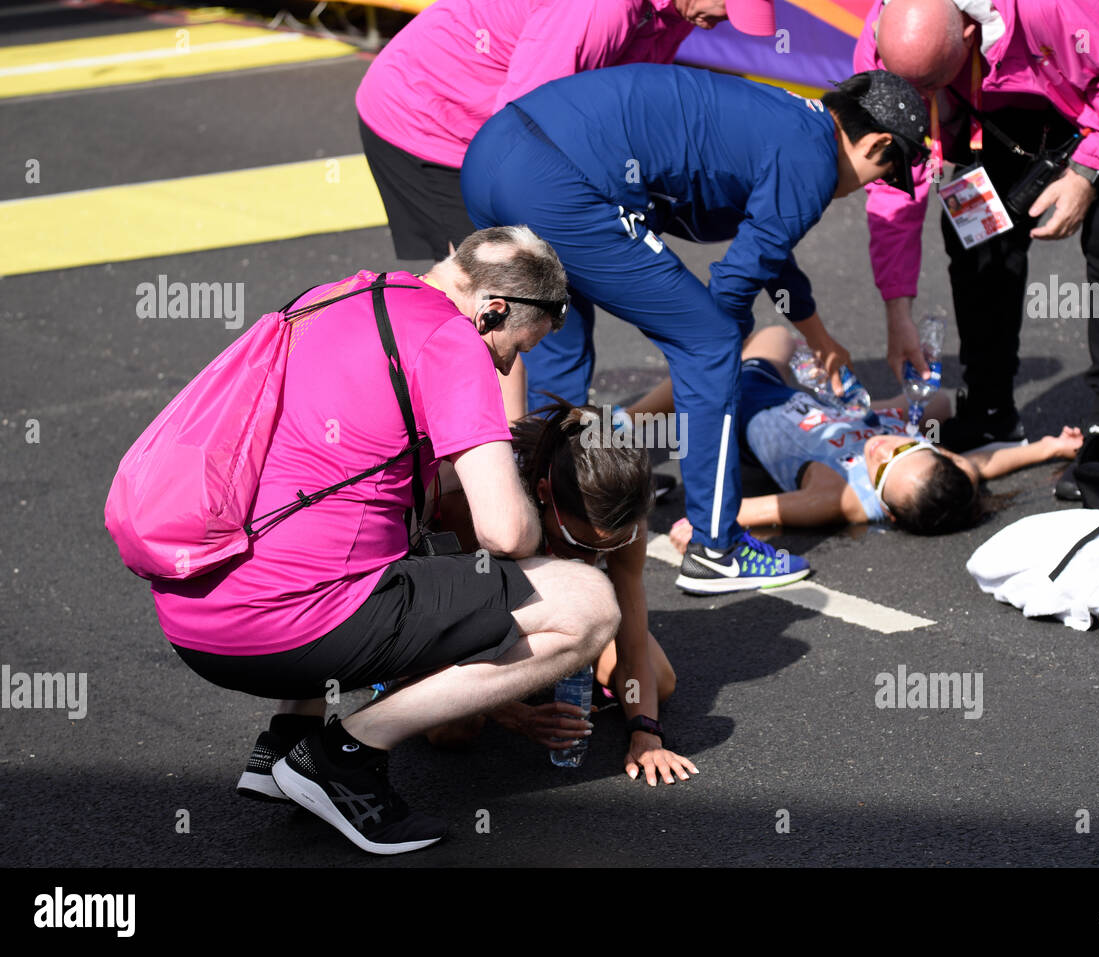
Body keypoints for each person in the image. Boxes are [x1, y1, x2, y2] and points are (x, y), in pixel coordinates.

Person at [153, 227, 622, 856]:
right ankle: (341, 757)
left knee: (376, 529)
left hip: (196, 610)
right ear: (493, 309)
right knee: (587, 604)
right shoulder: (454, 342)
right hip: (279, 628)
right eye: (514, 349)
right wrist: (529, 500)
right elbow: (505, 532)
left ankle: (286, 743)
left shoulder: (336, 296)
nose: (506, 366)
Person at [461, 64, 931, 593]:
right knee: (710, 341)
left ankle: (564, 504)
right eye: (889, 173)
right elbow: (732, 289)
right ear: (878, 142)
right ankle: (716, 546)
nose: (875, 187)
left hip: (491, 157)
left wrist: (818, 337)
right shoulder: (816, 159)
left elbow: (769, 250)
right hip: (562, 182)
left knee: (556, 338)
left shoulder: (791, 120)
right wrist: (716, 363)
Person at [852, 0, 1099, 499]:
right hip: (1008, 90)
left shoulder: (1060, 9)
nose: (922, 102)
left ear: (966, 30)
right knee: (973, 232)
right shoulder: (884, 41)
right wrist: (898, 310)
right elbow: (895, 184)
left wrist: (1087, 173)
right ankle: (989, 408)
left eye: (932, 85)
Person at [356, 0, 776, 261]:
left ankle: (530, 401)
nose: (725, 20)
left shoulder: (684, 10)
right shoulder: (599, 7)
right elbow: (519, 123)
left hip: (489, 116)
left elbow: (623, 98)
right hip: (428, 120)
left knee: (540, 287)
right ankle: (459, 397)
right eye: (730, 5)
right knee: (497, 288)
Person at [427, 401, 699, 786]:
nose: (588, 563)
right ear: (541, 494)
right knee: (455, 728)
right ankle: (527, 675)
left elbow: (633, 638)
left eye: (600, 551)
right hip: (465, 614)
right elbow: (445, 631)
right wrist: (516, 715)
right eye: (576, 543)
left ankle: (548, 671)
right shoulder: (474, 503)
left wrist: (646, 732)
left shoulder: (620, 514)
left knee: (657, 680)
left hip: (535, 607)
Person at [656, 325, 1083, 543]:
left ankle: (625, 421)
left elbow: (756, 509)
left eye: (881, 471)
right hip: (812, 410)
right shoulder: (933, 473)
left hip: (751, 405)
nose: (881, 452)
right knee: (939, 405)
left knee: (719, 354)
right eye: (906, 449)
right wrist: (1050, 447)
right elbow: (981, 464)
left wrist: (702, 526)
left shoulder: (844, 499)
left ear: (889, 512)